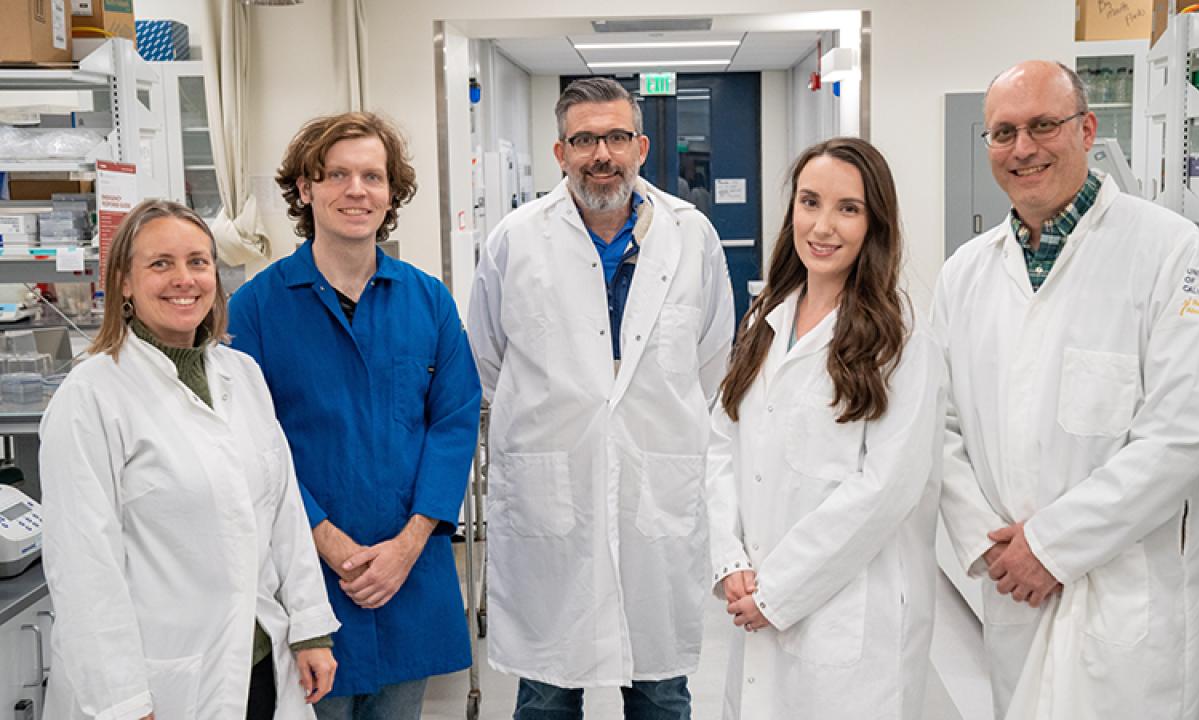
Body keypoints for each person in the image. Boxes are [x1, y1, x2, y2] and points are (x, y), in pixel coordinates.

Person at [932, 60, 1199, 720]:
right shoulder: (964, 275)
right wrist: (990, 546)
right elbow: (939, 423)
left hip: (1128, 599)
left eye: (1044, 125)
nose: (1023, 148)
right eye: (1003, 132)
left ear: (1086, 129)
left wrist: (1053, 545)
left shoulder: (1172, 253)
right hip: (1015, 589)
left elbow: (1191, 429)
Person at [468, 76, 736, 719]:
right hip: (550, 499)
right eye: (583, 139)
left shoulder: (690, 235)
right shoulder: (516, 239)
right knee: (546, 690)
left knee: (660, 688)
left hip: (655, 493)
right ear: (560, 153)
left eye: (616, 136)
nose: (602, 154)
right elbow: (488, 362)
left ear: (641, 146)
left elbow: (713, 363)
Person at [39, 199, 339, 720]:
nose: (185, 279)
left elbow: (282, 510)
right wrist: (121, 700)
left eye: (198, 262)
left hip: (261, 665)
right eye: (161, 264)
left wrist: (311, 625)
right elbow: (84, 566)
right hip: (159, 684)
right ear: (124, 283)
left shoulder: (240, 374)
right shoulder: (90, 396)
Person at [228, 112, 482, 719]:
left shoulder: (428, 301)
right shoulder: (255, 309)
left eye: (372, 176)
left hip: (407, 573)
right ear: (304, 189)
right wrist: (329, 542)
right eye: (336, 175)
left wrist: (408, 544)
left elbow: (453, 424)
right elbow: (249, 443)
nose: (356, 190)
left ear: (392, 192)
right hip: (308, 577)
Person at [706, 137, 944, 720]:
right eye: (810, 202)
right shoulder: (765, 318)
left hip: (846, 616)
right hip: (756, 597)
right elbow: (721, 445)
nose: (823, 226)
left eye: (848, 208)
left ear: (875, 224)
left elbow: (885, 490)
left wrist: (779, 590)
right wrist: (730, 560)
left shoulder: (901, 340)